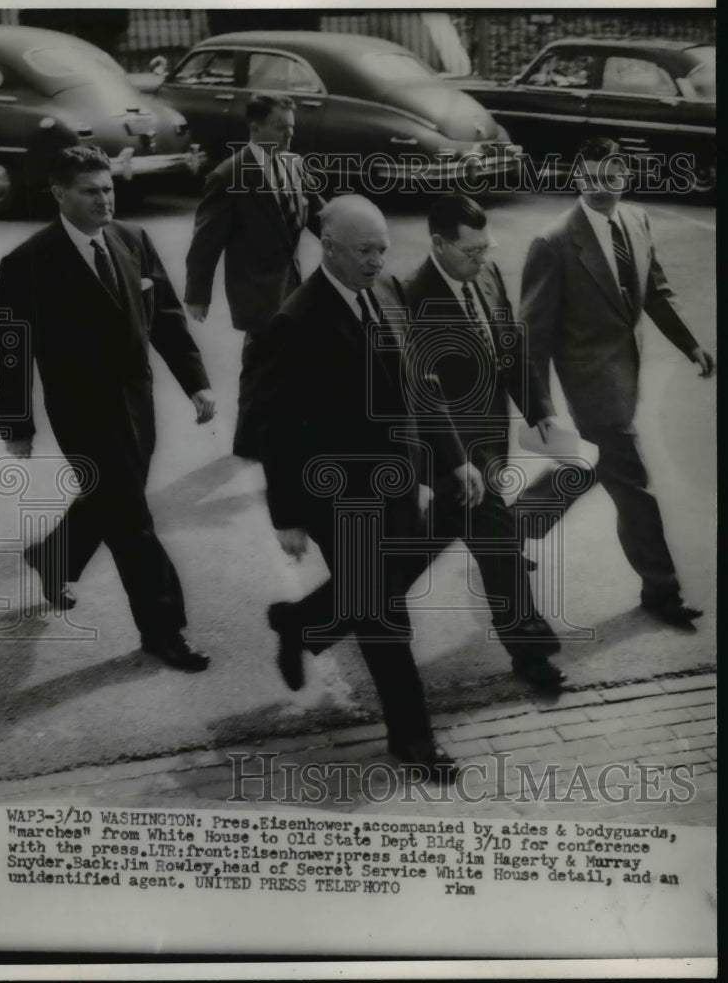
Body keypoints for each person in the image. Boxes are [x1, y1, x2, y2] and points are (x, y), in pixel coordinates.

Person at [242, 195, 478, 782]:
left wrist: (454, 459)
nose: (376, 260)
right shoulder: (295, 321)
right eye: (363, 250)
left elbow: (421, 384)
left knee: (381, 588)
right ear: (329, 248)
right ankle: (414, 743)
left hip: (394, 485)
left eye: (382, 249)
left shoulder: (391, 294)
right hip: (336, 498)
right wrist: (287, 514)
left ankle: (301, 623)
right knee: (384, 618)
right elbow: (276, 428)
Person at [0, 145, 215, 672]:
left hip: (138, 404)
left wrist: (197, 384)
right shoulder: (28, 263)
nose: (104, 199)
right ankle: (164, 630)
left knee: (114, 500)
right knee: (132, 519)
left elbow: (167, 321)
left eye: (108, 188)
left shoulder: (132, 240)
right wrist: (17, 426)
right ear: (59, 193)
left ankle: (54, 557)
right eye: (90, 191)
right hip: (83, 413)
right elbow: (10, 353)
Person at [519, 135, 715, 629]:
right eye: (589, 177)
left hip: (625, 375)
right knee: (633, 485)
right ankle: (662, 590)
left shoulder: (637, 221)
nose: (600, 187)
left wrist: (690, 344)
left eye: (610, 177)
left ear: (625, 176)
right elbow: (532, 335)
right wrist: (539, 406)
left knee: (585, 470)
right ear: (576, 177)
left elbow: (655, 292)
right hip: (590, 385)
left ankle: (505, 533)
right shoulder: (555, 242)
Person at [402, 194, 566, 691]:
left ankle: (313, 619)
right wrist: (456, 463)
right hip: (453, 450)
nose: (482, 259)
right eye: (471, 252)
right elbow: (418, 396)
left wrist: (543, 414)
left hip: (492, 438)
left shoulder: (486, 275)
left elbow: (511, 349)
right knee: (498, 543)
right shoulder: (411, 297)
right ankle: (531, 650)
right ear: (438, 243)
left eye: (485, 249)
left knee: (416, 549)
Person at [184, 94, 326, 457]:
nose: (288, 136)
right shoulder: (230, 174)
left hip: (292, 283)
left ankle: (282, 431)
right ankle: (248, 440)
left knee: (290, 359)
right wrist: (198, 293)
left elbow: (318, 215)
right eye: (281, 128)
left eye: (292, 128)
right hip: (255, 286)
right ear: (255, 128)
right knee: (262, 362)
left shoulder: (293, 165)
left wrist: (351, 237)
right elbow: (206, 239)